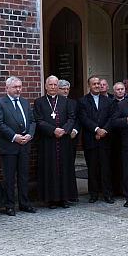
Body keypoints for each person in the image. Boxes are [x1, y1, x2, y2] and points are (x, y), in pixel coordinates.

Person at [0, 76, 36, 216]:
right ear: (7, 88)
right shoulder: (0, 103)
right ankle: (9, 205)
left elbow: (33, 121)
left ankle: (24, 203)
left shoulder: (24, 102)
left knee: (23, 176)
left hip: (24, 144)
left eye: (20, 87)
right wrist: (14, 137)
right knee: (9, 177)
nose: (18, 89)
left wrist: (30, 134)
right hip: (9, 145)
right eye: (15, 87)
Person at [34, 75, 77, 208]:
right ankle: (51, 199)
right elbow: (38, 120)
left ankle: (65, 198)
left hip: (64, 141)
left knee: (64, 168)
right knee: (50, 169)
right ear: (46, 86)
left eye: (55, 85)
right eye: (50, 85)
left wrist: (64, 130)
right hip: (48, 141)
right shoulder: (39, 102)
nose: (53, 87)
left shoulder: (65, 102)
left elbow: (72, 118)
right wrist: (53, 130)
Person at [78, 75, 114, 204]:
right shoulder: (82, 101)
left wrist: (104, 130)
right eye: (94, 84)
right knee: (92, 168)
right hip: (91, 139)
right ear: (89, 86)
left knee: (106, 168)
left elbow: (112, 117)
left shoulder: (108, 101)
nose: (97, 86)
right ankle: (93, 194)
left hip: (105, 139)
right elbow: (84, 118)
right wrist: (96, 129)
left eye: (98, 83)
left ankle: (107, 194)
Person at [59, 79, 80, 202]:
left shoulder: (73, 102)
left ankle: (71, 194)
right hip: (58, 137)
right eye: (63, 89)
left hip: (71, 138)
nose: (66, 91)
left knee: (70, 167)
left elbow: (77, 118)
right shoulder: (54, 103)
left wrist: (75, 130)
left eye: (67, 89)